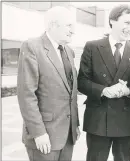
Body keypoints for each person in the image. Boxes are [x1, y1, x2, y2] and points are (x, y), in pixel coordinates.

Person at [77, 4, 130, 161]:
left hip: (127, 120)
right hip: (98, 120)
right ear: (112, 21)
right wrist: (104, 90)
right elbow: (82, 82)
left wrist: (128, 91)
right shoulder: (92, 47)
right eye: (126, 23)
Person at [17, 6, 80, 161]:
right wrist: (38, 133)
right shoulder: (32, 47)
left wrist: (75, 124)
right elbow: (26, 95)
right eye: (69, 26)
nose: (73, 31)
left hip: (68, 135)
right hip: (44, 136)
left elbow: (70, 91)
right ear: (53, 25)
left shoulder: (69, 51)